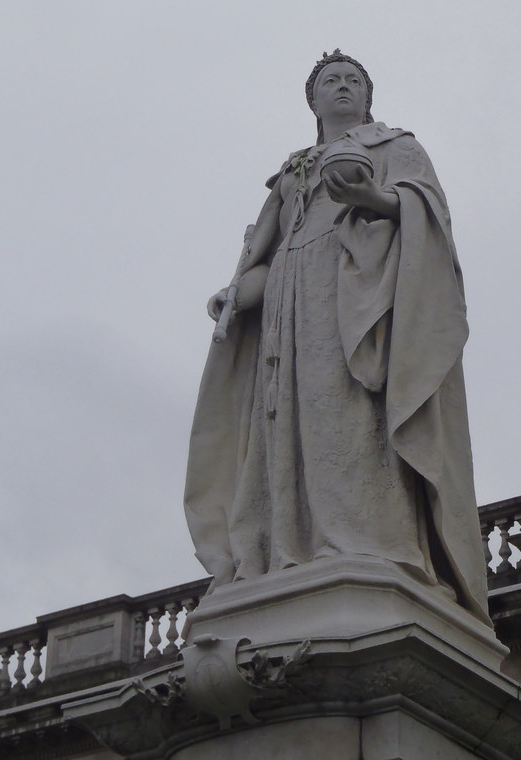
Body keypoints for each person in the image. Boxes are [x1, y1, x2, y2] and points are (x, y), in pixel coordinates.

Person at [184, 50, 489, 623]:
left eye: (354, 80)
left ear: (368, 98)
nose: (343, 86)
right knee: (288, 429)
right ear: (314, 101)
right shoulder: (293, 170)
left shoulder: (395, 146)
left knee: (348, 416)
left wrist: (367, 199)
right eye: (331, 81)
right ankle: (288, 549)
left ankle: (370, 543)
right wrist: (235, 295)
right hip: (288, 306)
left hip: (358, 298)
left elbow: (428, 216)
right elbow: (264, 256)